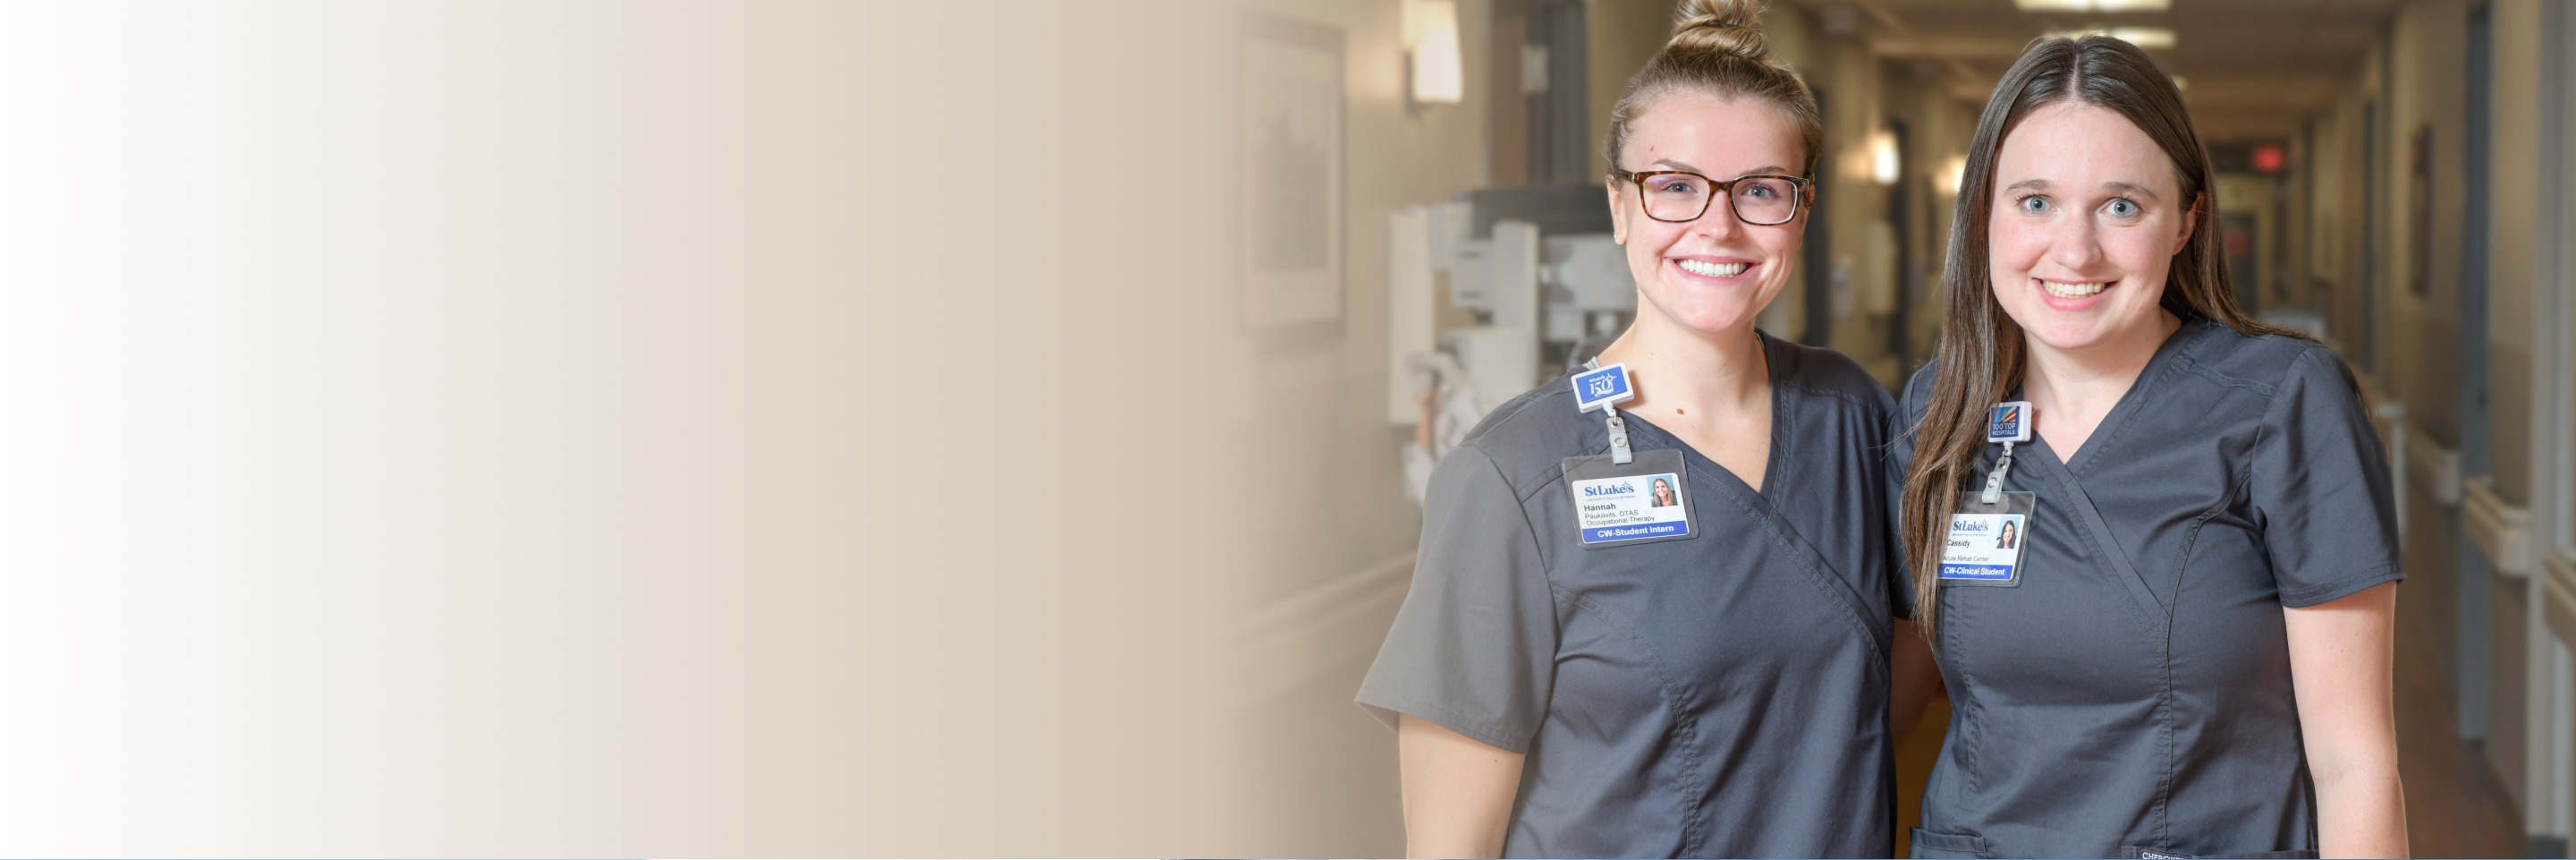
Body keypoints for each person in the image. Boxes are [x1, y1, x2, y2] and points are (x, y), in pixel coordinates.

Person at [1356, 1, 1935, 856]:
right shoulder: (1514, 474)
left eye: (1761, 189)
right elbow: (1451, 843)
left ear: (1802, 211)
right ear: (1620, 206)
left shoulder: (1851, 416)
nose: (1718, 225)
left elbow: (1901, 655)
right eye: (1674, 186)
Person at [1889, 35, 2406, 859]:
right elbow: (1881, 691)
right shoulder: (1938, 412)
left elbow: (2355, 764)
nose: (2075, 250)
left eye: (2121, 206)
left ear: (2186, 220)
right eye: (2035, 202)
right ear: (1983, 211)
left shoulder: (2281, 403)